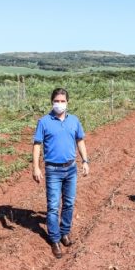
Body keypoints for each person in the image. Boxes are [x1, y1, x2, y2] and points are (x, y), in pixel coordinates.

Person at [32, 88, 90, 258]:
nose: (59, 104)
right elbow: (37, 145)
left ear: (67, 102)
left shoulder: (74, 120)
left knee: (69, 203)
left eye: (62, 101)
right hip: (53, 170)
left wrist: (85, 161)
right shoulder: (44, 122)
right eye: (56, 101)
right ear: (52, 102)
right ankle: (55, 239)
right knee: (53, 206)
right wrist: (36, 167)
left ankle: (65, 232)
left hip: (71, 168)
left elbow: (80, 141)